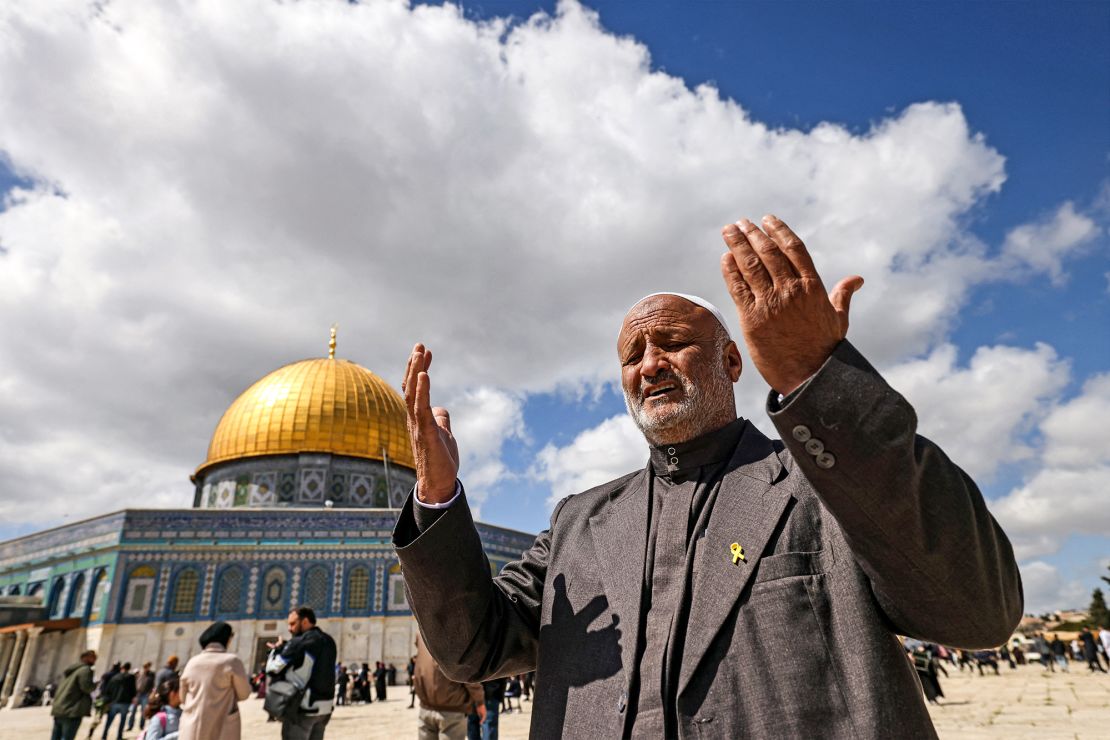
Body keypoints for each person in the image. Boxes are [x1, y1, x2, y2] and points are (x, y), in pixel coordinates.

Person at [393, 215, 1023, 738]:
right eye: (633, 355)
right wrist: (438, 496)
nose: (650, 365)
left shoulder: (825, 484)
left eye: (670, 342)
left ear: (730, 361)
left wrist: (818, 379)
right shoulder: (578, 523)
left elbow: (977, 612)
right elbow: (471, 648)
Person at [265, 606, 337, 740]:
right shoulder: (329, 641)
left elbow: (273, 669)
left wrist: (276, 651)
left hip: (303, 708)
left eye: (293, 624)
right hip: (324, 708)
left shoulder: (299, 642)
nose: (289, 628)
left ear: (304, 622)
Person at [179, 621, 251, 740]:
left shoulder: (192, 662)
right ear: (227, 639)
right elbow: (244, 694)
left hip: (192, 728)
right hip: (222, 727)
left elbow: (182, 697)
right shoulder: (232, 661)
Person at [413, 632, 483, 740]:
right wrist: (480, 701)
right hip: (452, 711)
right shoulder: (456, 634)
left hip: (426, 707)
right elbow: (467, 674)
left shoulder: (422, 632)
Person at [50, 650, 97, 740]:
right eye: (93, 658)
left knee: (55, 737)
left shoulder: (71, 670)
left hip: (60, 708)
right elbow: (86, 687)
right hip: (72, 711)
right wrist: (95, 685)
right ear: (86, 657)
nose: (94, 661)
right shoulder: (85, 670)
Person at [100, 662, 137, 740]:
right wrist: (133, 698)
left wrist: (109, 700)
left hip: (114, 702)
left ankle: (104, 736)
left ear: (121, 668)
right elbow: (133, 690)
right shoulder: (131, 677)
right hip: (125, 703)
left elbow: (108, 689)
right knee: (122, 720)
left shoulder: (115, 677)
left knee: (109, 720)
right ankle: (119, 736)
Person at [127, 662, 156, 732]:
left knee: (143, 711)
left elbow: (153, 685)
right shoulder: (140, 674)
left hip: (145, 695)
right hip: (138, 694)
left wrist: (150, 693)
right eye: (145, 667)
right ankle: (130, 725)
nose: (146, 668)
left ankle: (141, 725)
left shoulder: (151, 675)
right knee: (133, 710)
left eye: (147, 667)